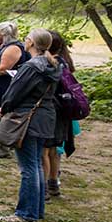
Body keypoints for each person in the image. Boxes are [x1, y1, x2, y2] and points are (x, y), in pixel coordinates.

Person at [0, 28, 60, 222]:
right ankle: (36, 209)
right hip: (45, 117)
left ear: (31, 43)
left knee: (28, 167)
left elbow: (15, 91)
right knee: (36, 165)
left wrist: (5, 107)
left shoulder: (32, 67)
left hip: (28, 118)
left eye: (27, 39)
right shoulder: (53, 65)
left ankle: (26, 213)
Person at [0, 21, 29, 158]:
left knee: (1, 115)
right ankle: (4, 143)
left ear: (3, 34)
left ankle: (5, 146)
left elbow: (3, 69)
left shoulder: (13, 48)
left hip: (4, 87)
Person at [45, 30, 77, 198]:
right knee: (55, 150)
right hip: (63, 111)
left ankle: (44, 188)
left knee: (44, 151)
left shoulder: (50, 64)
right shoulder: (65, 61)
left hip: (52, 111)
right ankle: (53, 185)